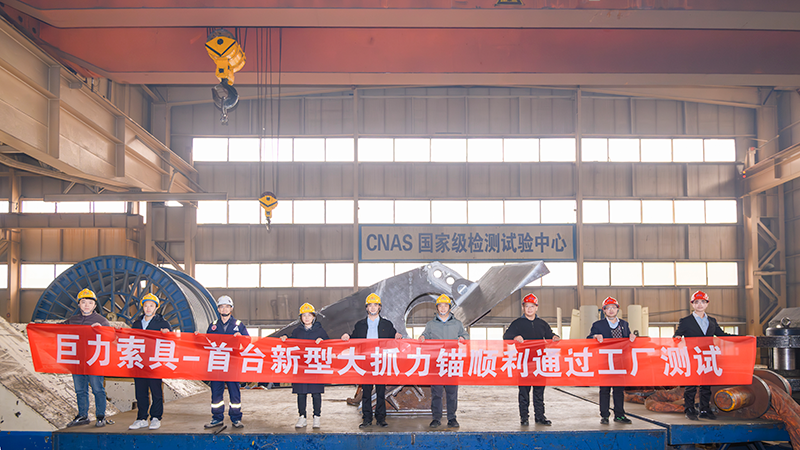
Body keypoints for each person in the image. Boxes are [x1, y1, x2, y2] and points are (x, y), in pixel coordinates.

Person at [341, 293, 403, 428]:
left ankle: (381, 418)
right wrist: (347, 337)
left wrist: (397, 336)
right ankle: (367, 419)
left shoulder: (387, 324)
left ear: (379, 307)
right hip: (366, 363)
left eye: (376, 305)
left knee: (381, 392)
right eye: (370, 305)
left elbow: (394, 338)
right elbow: (354, 339)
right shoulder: (360, 325)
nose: (373, 307)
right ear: (366, 308)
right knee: (366, 392)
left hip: (381, 362)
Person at [503, 293, 560, 426]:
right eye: (527, 306)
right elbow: (506, 337)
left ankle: (540, 417)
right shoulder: (517, 323)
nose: (529, 309)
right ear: (523, 307)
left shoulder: (542, 324)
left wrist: (555, 337)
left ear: (536, 308)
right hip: (524, 362)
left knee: (539, 391)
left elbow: (549, 335)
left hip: (539, 362)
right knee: (524, 392)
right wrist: (515, 337)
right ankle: (524, 417)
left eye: (532, 306)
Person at [674, 290, 729, 421]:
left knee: (706, 385)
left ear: (707, 304)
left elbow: (721, 335)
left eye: (703, 302)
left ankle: (705, 409)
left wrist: (743, 338)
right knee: (691, 385)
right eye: (697, 302)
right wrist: (677, 337)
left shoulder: (712, 321)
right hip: (693, 357)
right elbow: (677, 335)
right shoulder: (686, 321)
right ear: (692, 304)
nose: (700, 304)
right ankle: (690, 409)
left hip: (708, 356)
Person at [64, 288, 113, 428]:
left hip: (94, 361)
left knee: (97, 389)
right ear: (79, 304)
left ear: (95, 305)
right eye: (83, 302)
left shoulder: (102, 321)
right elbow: (55, 331)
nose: (86, 305)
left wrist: (102, 330)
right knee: (80, 390)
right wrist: (36, 328)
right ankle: (82, 415)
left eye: (90, 302)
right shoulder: (72, 321)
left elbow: (112, 338)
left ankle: (100, 416)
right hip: (77, 360)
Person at [418, 294, 469, 429]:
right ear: (437, 308)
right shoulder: (431, 324)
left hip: (452, 362)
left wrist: (463, 338)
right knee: (437, 393)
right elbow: (425, 335)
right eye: (440, 305)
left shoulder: (457, 324)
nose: (443, 308)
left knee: (452, 392)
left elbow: (465, 335)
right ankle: (436, 418)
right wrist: (422, 337)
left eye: (445, 305)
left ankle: (452, 418)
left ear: (449, 308)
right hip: (437, 363)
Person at [203, 295, 249, 429]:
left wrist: (241, 337)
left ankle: (236, 418)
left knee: (234, 392)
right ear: (218, 309)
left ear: (231, 308)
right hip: (217, 364)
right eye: (222, 307)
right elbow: (206, 343)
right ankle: (217, 418)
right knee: (216, 392)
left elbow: (247, 342)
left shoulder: (238, 325)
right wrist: (196, 337)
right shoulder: (213, 326)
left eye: (227, 306)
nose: (224, 309)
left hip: (232, 364)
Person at [588, 296, 636, 425]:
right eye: (608, 308)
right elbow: (588, 339)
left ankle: (619, 415)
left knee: (619, 391)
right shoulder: (598, 325)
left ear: (617, 309)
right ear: (604, 310)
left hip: (620, 363)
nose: (611, 310)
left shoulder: (624, 324)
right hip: (604, 363)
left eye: (613, 307)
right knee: (604, 390)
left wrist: (631, 336)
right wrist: (595, 336)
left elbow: (628, 340)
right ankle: (604, 415)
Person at [281, 302, 329, 429]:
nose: (307, 318)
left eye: (309, 315)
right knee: (301, 393)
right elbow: (291, 342)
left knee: (316, 393)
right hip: (301, 368)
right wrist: (286, 338)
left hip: (315, 367)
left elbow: (329, 344)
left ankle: (316, 417)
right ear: (300, 318)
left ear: (314, 317)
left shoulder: (320, 331)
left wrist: (323, 341)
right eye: (304, 315)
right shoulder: (297, 331)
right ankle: (302, 417)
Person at [128, 293, 172, 431]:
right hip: (139, 363)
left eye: (151, 306)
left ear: (156, 308)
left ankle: (155, 418)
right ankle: (141, 418)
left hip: (154, 363)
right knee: (140, 392)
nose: (148, 308)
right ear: (143, 307)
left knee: (156, 391)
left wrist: (167, 334)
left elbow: (172, 341)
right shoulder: (136, 324)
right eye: (146, 305)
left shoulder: (162, 324)